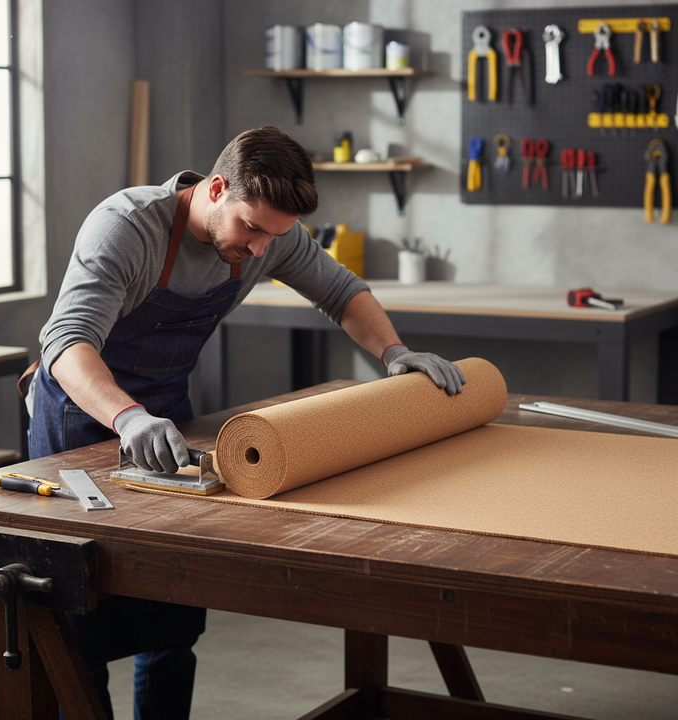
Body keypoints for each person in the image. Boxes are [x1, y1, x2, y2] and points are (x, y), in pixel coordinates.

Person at [25, 125, 466, 719]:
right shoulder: (128, 227)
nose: (261, 249)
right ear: (214, 189)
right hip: (82, 417)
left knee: (172, 606)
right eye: (252, 229)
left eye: (274, 236)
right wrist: (128, 417)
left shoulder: (270, 235)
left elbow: (341, 291)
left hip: (165, 419)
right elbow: (67, 340)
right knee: (83, 624)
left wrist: (393, 353)